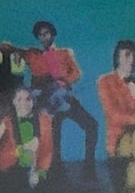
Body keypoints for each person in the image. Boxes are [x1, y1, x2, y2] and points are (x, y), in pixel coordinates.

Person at [20, 19, 97, 168]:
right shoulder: (33, 54)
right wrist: (15, 55)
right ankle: (55, 168)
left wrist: (64, 81)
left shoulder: (64, 53)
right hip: (46, 99)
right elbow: (7, 48)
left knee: (92, 125)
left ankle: (89, 165)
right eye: (41, 35)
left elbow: (76, 73)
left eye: (47, 33)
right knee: (53, 136)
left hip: (64, 96)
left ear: (53, 34)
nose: (44, 37)